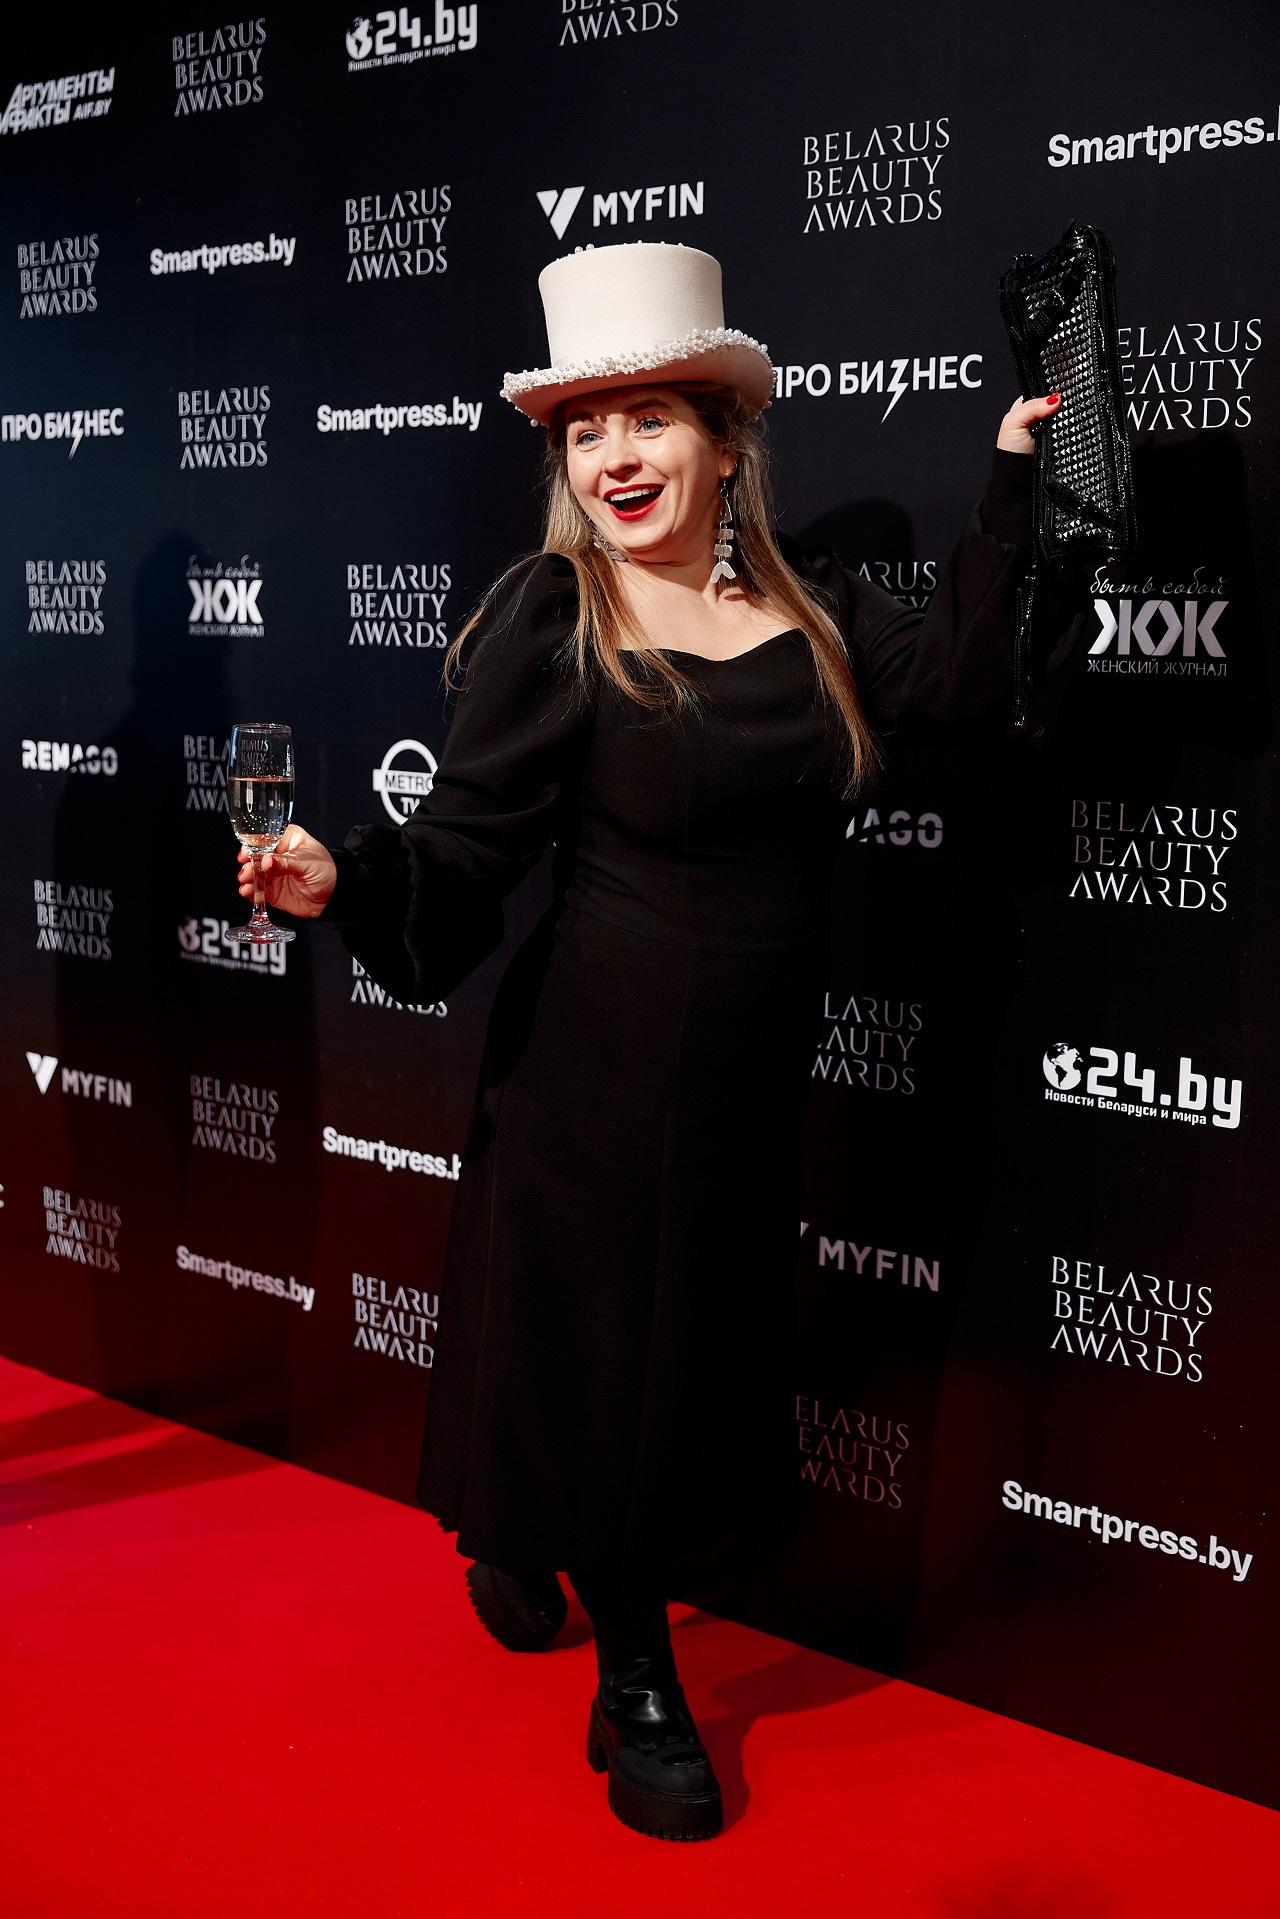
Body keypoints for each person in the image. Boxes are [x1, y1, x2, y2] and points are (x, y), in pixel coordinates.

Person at [236, 240, 1058, 1842]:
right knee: (609, 1365)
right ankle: (639, 1682)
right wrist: (349, 876)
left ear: (725, 441)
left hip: (748, 1087)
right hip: (591, 1082)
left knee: (676, 1368)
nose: (613, 456)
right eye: (583, 430)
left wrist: (1019, 473)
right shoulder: (559, 614)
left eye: (650, 420)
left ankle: (522, 1521)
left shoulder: (814, 603)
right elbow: (466, 847)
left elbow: (968, 680)